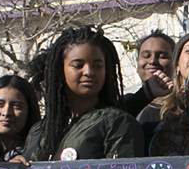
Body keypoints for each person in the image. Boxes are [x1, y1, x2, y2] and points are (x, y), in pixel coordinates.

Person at [23, 27, 145, 161]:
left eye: (97, 66)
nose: (88, 72)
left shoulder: (116, 123)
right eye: (77, 65)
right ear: (60, 69)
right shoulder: (38, 131)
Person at [118, 30, 177, 119]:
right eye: (146, 55)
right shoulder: (124, 104)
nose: (152, 61)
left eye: (161, 56)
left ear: (175, 63)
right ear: (137, 62)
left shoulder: (185, 106)